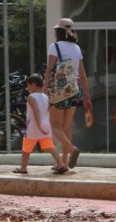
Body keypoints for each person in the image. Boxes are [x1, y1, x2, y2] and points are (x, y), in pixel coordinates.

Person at [42, 18, 92, 171]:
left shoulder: (54, 46)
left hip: (61, 88)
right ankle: (64, 163)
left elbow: (50, 69)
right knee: (66, 126)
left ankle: (72, 149)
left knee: (54, 125)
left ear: (58, 31)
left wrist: (45, 88)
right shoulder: (76, 48)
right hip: (75, 89)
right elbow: (83, 75)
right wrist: (87, 97)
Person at [13, 74, 67, 175]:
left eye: (28, 85)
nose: (27, 88)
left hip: (35, 126)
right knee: (50, 146)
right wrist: (43, 126)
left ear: (33, 85)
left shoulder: (31, 97)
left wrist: (38, 125)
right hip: (46, 124)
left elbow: (36, 111)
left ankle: (23, 168)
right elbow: (47, 110)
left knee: (26, 148)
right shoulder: (45, 97)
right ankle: (60, 165)